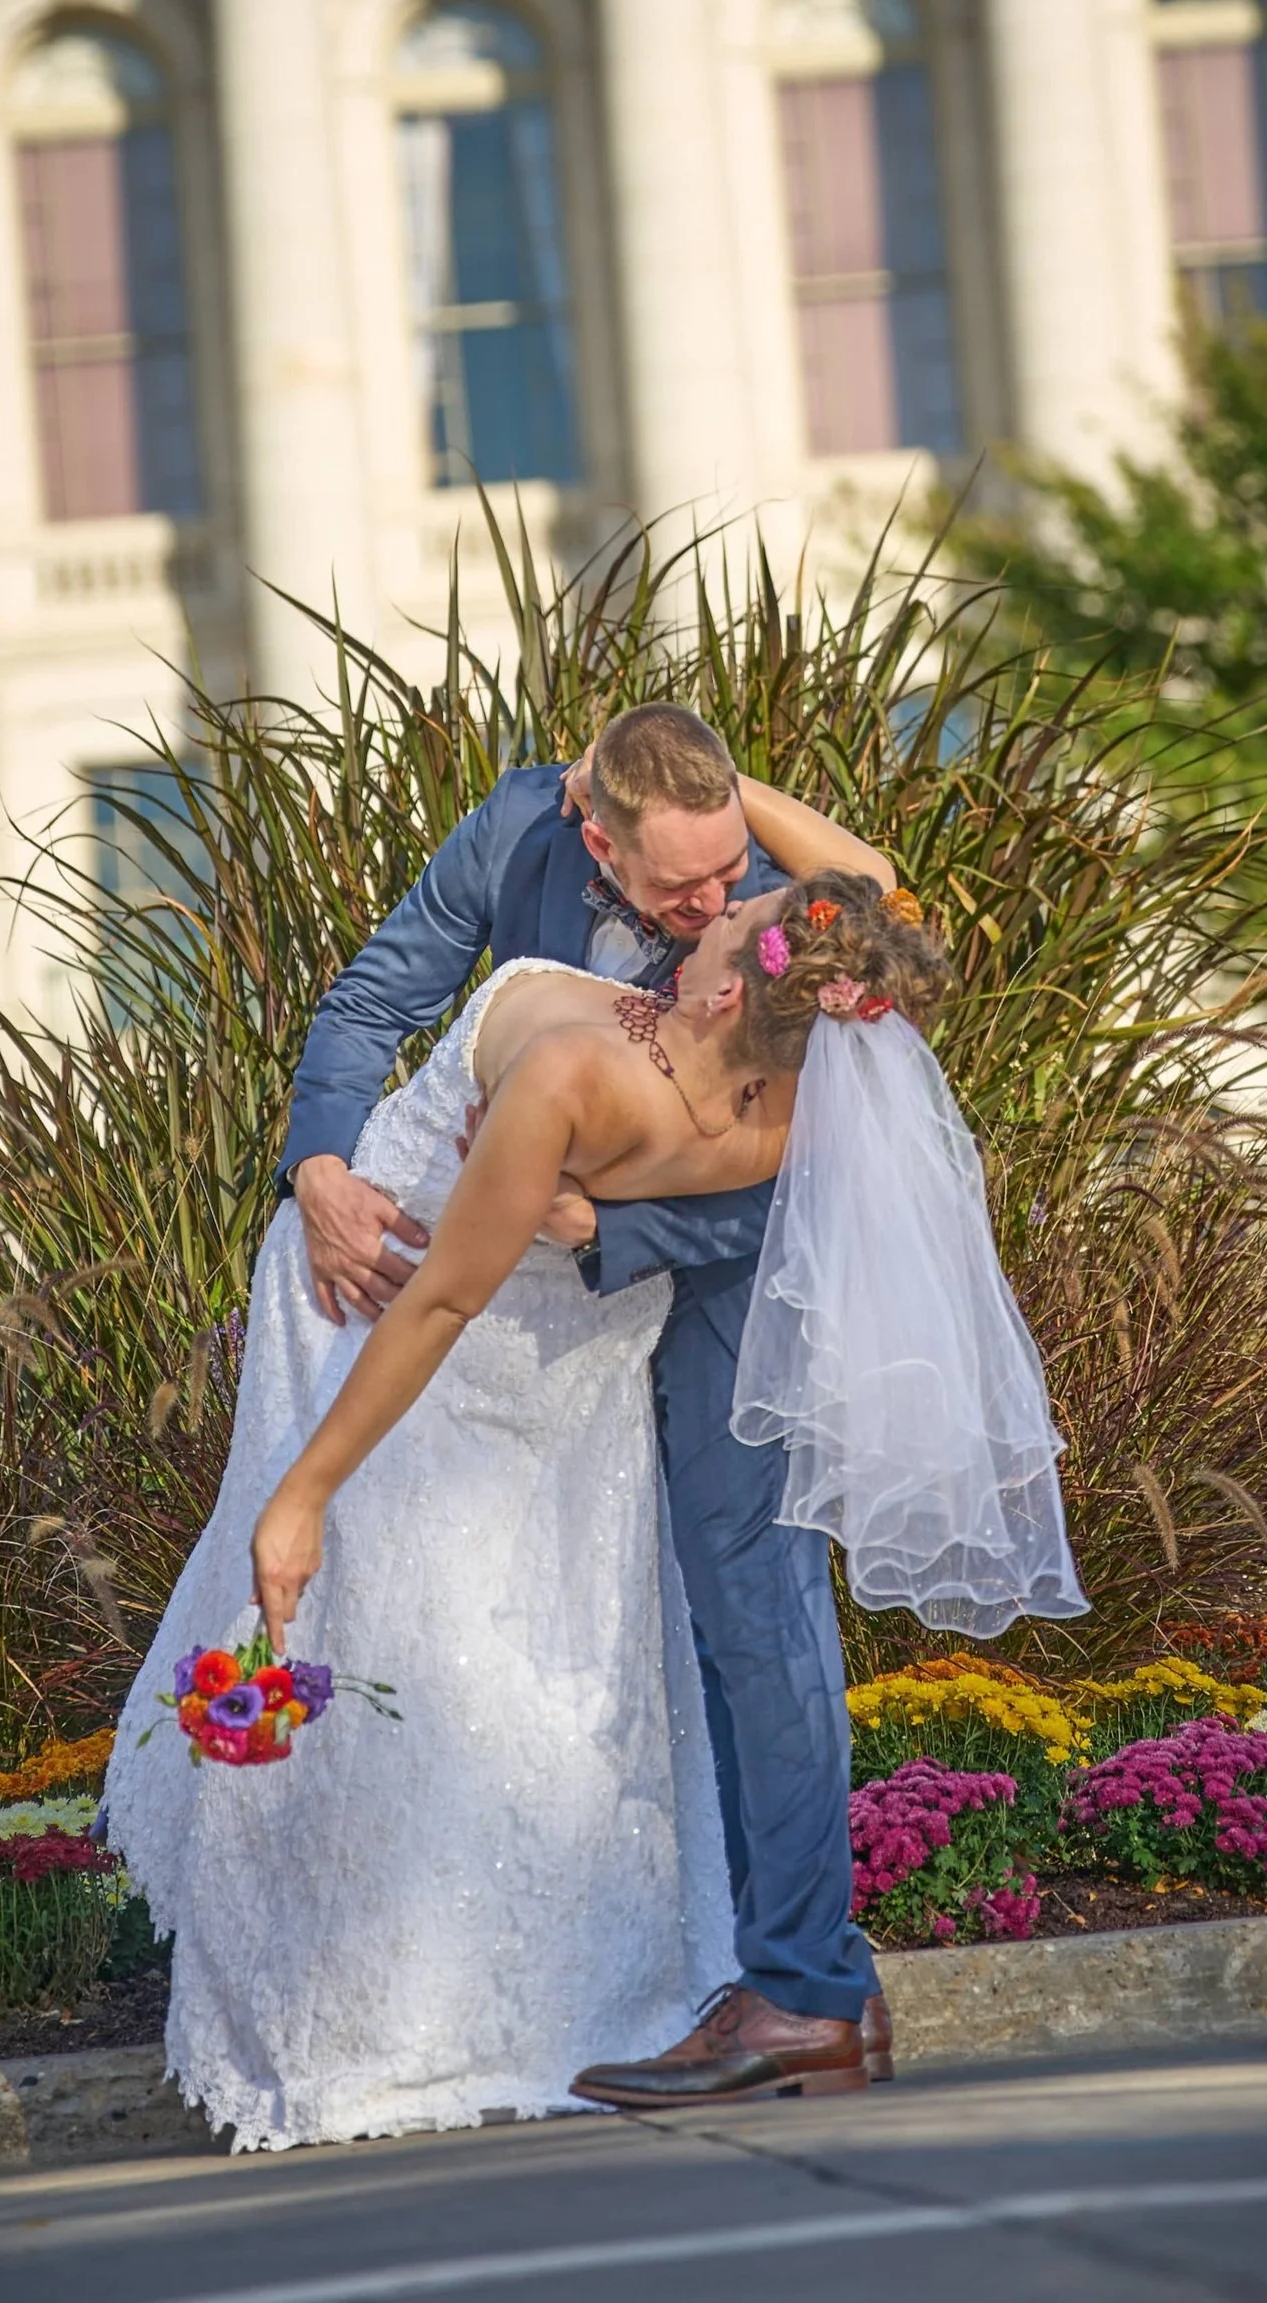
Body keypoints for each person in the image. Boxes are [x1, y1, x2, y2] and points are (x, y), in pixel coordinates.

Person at [104, 708, 1084, 2147]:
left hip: (713, 1256)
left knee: (752, 1602)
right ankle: (612, 1970)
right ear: (591, 828)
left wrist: (613, 1216)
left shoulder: (766, 914)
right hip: (495, 1283)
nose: (714, 898)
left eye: (727, 875)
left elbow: (852, 952)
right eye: (681, 881)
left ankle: (808, 1990)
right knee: (524, 1616)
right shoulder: (521, 832)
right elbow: (377, 1001)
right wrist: (318, 1158)